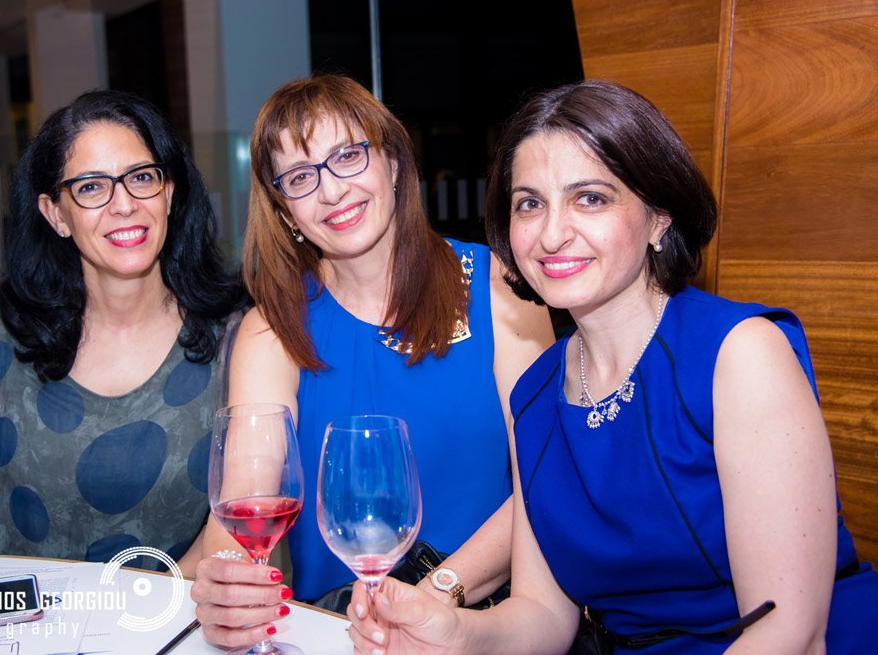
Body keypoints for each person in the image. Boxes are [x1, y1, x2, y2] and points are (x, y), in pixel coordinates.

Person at [347, 79, 878, 654]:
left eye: (591, 198)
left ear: (658, 218)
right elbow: (543, 615)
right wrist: (456, 633)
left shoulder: (739, 354)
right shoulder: (536, 394)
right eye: (530, 204)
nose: (552, 233)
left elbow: (789, 632)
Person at [191, 74, 554, 648]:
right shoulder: (271, 328)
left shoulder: (499, 286)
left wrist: (435, 596)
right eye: (301, 177)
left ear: (393, 163)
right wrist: (229, 581)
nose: (332, 191)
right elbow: (244, 496)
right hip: (333, 632)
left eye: (347, 156)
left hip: (482, 621)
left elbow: (546, 480)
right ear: (285, 211)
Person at [0, 90, 245, 576]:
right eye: (92, 187)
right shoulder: (4, 333)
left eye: (141, 177)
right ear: (56, 214)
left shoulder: (233, 338)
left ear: (169, 192)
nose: (124, 205)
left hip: (170, 619)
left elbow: (242, 518)